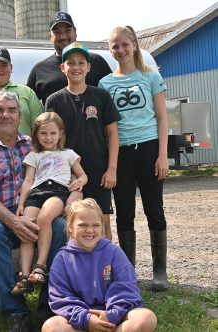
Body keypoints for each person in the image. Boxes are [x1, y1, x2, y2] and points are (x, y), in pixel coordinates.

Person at [0, 91, 67, 331]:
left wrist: (74, 193)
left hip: (38, 213)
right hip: (0, 217)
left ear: (20, 115)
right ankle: (15, 311)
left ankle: (49, 308)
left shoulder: (36, 146)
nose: (5, 115)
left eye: (11, 110)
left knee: (61, 227)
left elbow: (61, 174)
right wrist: (14, 221)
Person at [98, 26, 169, 291]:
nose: (120, 50)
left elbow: (162, 118)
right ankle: (128, 271)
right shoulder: (106, 83)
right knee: (125, 211)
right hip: (122, 151)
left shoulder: (151, 76)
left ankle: (160, 271)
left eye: (125, 44)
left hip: (149, 148)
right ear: (110, 49)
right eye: (115, 46)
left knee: (154, 208)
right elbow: (108, 127)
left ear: (135, 45)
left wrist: (163, 156)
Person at [42, 198, 157, 332]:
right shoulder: (61, 259)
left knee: (146, 318)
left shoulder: (114, 252)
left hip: (113, 319)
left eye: (96, 225)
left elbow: (125, 286)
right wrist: (87, 319)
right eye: (82, 225)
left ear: (102, 227)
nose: (90, 230)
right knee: (51, 327)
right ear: (70, 227)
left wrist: (112, 315)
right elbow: (61, 297)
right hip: (80, 322)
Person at [45, 42, 120, 241]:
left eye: (81, 63)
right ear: (63, 68)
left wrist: (111, 169)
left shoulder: (101, 96)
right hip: (67, 174)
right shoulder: (54, 100)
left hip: (98, 171)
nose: (76, 67)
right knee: (71, 224)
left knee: (101, 223)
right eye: (70, 63)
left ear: (88, 67)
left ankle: (105, 270)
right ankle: (74, 269)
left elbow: (113, 134)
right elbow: (50, 140)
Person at [11, 112, 87, 296]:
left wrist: (79, 182)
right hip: (37, 192)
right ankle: (25, 276)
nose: (48, 138)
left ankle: (41, 266)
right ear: (36, 134)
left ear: (60, 133)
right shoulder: (34, 155)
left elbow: (83, 174)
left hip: (58, 192)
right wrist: (21, 203)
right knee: (27, 227)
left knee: (44, 218)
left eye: (53, 133)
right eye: (43, 133)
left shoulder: (69, 154)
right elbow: (28, 181)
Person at [27, 11, 112, 105]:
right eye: (57, 32)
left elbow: (114, 93)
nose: (63, 36)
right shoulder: (39, 70)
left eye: (67, 30)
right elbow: (28, 107)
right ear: (50, 36)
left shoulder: (97, 61)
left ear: (75, 32)